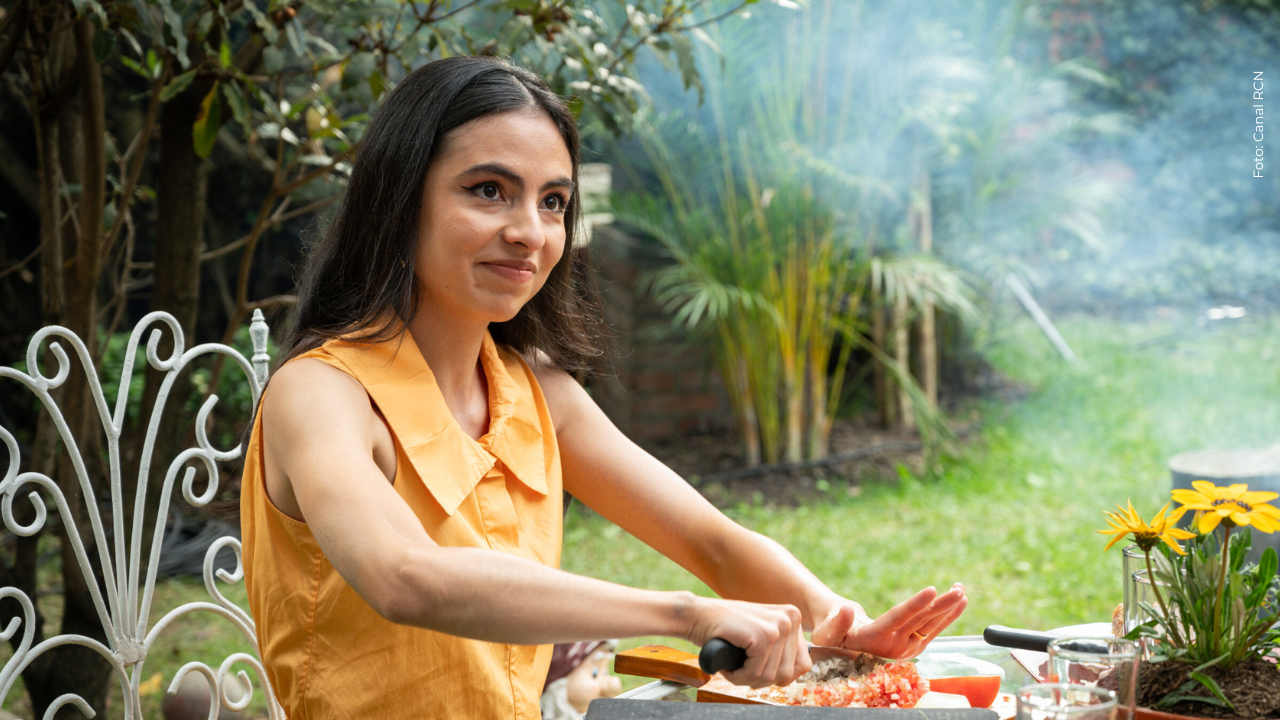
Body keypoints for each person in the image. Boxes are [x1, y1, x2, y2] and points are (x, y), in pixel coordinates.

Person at [239, 55, 968, 720]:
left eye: (553, 202)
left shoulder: (537, 392)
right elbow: (406, 578)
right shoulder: (320, 393)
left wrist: (829, 615)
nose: (530, 231)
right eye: (489, 191)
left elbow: (708, 538)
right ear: (400, 200)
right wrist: (687, 615)